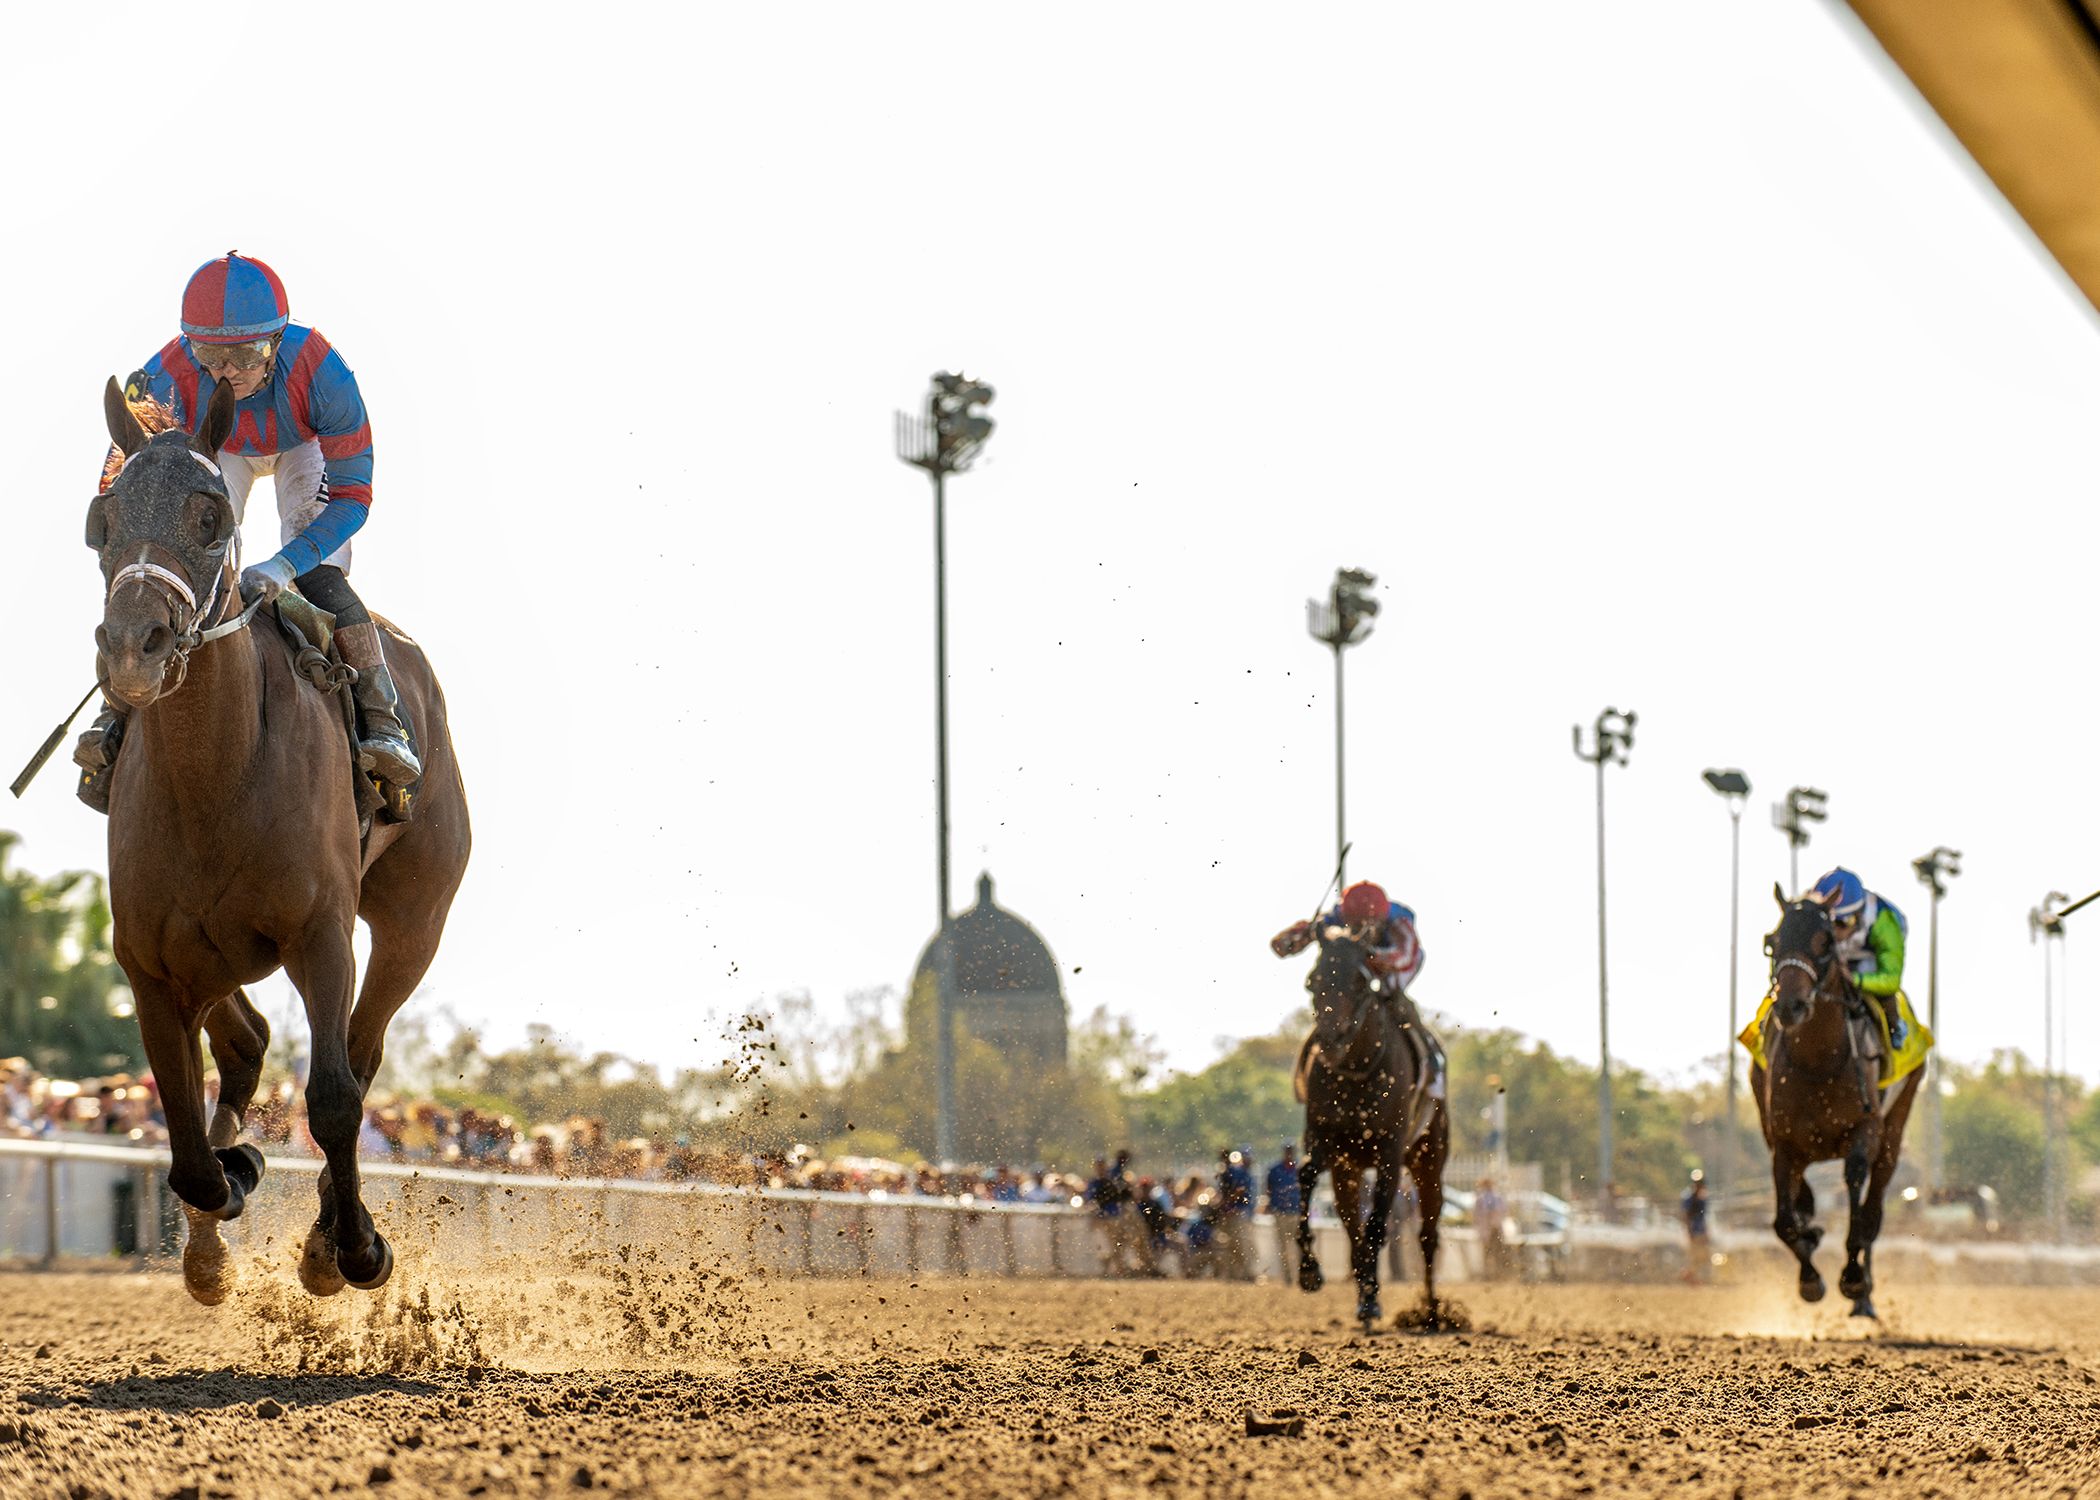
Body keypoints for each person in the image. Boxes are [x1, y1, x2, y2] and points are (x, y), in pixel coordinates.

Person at [75, 251, 420, 812]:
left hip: (302, 446)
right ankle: (114, 712)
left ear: (278, 342)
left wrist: (286, 565)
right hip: (214, 448)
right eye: (210, 355)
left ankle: (384, 722)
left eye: (245, 354)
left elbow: (354, 500)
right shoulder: (163, 376)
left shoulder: (325, 373)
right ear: (191, 346)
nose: (226, 373)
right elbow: (124, 480)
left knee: (320, 578)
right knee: (163, 563)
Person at [1272, 880, 1442, 1074]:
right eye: (1354, 924)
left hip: (1399, 965)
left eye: (1367, 925)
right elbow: (1283, 943)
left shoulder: (1399, 922)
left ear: (1380, 918)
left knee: (1392, 996)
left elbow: (1404, 955)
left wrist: (1371, 954)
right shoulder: (1334, 916)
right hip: (1358, 962)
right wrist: (1292, 940)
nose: (1359, 927)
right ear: (1344, 916)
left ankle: (1429, 1057)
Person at [1807, 868, 1909, 1046]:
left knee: (1882, 992)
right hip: (1830, 955)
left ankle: (1895, 1029)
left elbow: (1892, 980)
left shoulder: (1883, 923)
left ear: (1859, 915)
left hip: (1867, 957)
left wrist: (1855, 980)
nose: (1836, 932)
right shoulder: (1809, 911)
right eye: (1831, 924)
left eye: (1844, 923)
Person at [1216, 1147, 1257, 1281]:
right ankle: (1235, 1274)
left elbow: (1239, 1193)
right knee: (1234, 1245)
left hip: (1239, 1213)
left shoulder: (1238, 1173)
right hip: (1234, 1214)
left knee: (1240, 1245)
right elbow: (1232, 1193)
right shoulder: (1231, 1172)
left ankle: (1243, 1273)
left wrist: (1229, 1206)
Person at [1264, 1144, 1303, 1283]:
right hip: (1280, 1211)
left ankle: (1300, 1275)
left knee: (1299, 1245)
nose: (1289, 1154)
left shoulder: (1300, 1169)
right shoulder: (1275, 1170)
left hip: (1297, 1211)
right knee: (1283, 1246)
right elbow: (1268, 1189)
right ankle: (1287, 1277)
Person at [1680, 1169, 1712, 1284]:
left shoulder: (1702, 1198)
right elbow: (1686, 1216)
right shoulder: (1688, 1198)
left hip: (1700, 1231)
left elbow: (1703, 1218)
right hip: (1694, 1232)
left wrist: (1706, 1232)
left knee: (1702, 1257)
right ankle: (1689, 1276)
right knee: (1695, 1257)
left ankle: (1691, 1276)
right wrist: (1689, 1232)